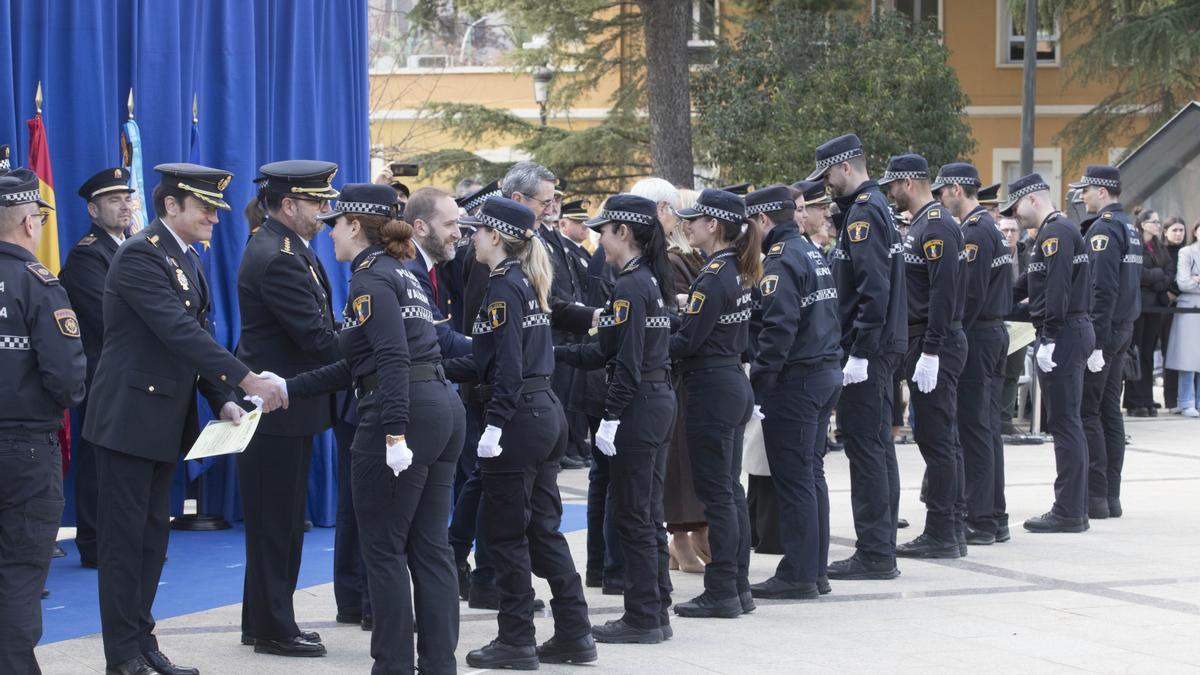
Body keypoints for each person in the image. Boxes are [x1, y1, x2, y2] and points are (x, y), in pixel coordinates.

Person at [84, 163, 288, 675]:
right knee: (125, 543)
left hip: (162, 423)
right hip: (129, 421)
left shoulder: (187, 259)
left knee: (153, 541)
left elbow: (196, 339)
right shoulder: (140, 256)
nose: (216, 219)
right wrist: (246, 380)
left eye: (218, 209)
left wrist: (220, 396)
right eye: (205, 208)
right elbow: (178, 331)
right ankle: (121, 656)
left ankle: (143, 642)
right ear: (171, 206)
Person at [286, 183, 466, 674]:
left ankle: (392, 667)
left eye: (334, 225)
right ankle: (437, 665)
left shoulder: (369, 280)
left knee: (383, 550)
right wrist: (285, 387)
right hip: (441, 408)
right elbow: (358, 363)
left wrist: (393, 432)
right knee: (429, 547)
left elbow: (389, 357)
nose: (330, 236)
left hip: (401, 411)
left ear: (353, 226)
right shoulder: (404, 275)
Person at [452, 197, 595, 668]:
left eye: (477, 231)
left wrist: (494, 423)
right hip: (543, 411)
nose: (471, 237)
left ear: (495, 237)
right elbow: (489, 357)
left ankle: (515, 639)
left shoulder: (502, 288)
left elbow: (507, 366)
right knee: (542, 530)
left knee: (504, 534)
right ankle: (574, 632)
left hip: (516, 419)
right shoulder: (527, 282)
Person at [557, 194, 676, 644]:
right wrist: (552, 355)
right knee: (646, 511)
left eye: (603, 231)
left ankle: (643, 616)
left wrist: (610, 417)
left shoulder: (630, 286)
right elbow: (603, 349)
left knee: (633, 514)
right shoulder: (647, 281)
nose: (598, 239)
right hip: (654, 398)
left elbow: (624, 363)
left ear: (623, 233)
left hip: (638, 404)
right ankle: (656, 606)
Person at [235, 160, 341, 656]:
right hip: (276, 409)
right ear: (289, 204)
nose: (324, 211)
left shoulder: (288, 247)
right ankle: (275, 628)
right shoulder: (278, 255)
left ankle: (262, 620)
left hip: (285, 408)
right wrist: (377, 341)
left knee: (276, 520)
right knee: (276, 523)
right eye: (317, 203)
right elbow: (317, 338)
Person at [808, 134, 906, 580]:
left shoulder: (866, 213)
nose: (826, 184)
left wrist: (861, 350)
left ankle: (874, 552)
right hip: (880, 346)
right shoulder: (870, 208)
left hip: (868, 348)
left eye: (828, 174)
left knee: (866, 448)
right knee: (878, 446)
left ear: (846, 167)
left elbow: (873, 287)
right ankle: (880, 545)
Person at [0, 168, 86, 675]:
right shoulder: (38, 284)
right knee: (18, 573)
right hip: (24, 449)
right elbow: (67, 381)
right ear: (31, 223)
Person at [744, 184, 842, 599]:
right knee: (811, 475)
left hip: (796, 380)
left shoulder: (781, 261)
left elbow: (778, 328)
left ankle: (799, 573)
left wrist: (759, 384)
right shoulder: (810, 252)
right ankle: (813, 569)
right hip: (822, 371)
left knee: (795, 478)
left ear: (764, 220)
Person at [667, 188, 759, 618]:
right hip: (730, 382)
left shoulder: (713, 275)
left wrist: (649, 338)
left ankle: (723, 588)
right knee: (729, 492)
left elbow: (688, 341)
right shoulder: (735, 270)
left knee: (718, 495)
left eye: (694, 220)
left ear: (714, 226)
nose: (687, 225)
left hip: (711, 387)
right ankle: (736, 584)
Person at [882, 155, 968, 559]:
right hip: (925, 340)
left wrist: (931, 350)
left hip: (936, 342)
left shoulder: (935, 226)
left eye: (894, 184)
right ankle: (949, 527)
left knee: (938, 440)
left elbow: (943, 293)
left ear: (912, 181)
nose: (891, 192)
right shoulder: (920, 225)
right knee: (939, 439)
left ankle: (943, 531)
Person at [1003, 173, 1095, 533]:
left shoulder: (1057, 233)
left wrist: (1051, 337)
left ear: (1032, 200)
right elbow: (1027, 286)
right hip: (1065, 330)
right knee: (1066, 422)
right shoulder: (1050, 233)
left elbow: (1056, 290)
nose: (1015, 217)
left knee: (1065, 423)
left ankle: (1070, 510)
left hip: (1065, 332)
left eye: (1017, 209)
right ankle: (1074, 506)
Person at [631, 178, 708, 574]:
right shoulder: (665, 261)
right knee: (671, 467)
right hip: (664, 374)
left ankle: (694, 534)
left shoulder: (686, 258)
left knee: (687, 464)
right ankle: (677, 539)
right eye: (681, 213)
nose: (684, 221)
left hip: (677, 374)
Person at [59, 167, 135, 568]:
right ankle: (93, 540)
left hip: (132, 374)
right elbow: (109, 320)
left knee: (124, 461)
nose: (124, 205)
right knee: (98, 460)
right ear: (92, 209)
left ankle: (121, 538)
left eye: (127, 198)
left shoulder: (132, 247)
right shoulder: (87, 255)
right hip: (102, 374)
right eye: (113, 200)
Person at [934, 162, 1013, 545]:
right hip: (991, 332)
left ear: (956, 190)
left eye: (943, 191)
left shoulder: (976, 233)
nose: (940, 198)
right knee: (985, 427)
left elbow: (971, 293)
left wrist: (954, 334)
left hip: (979, 335)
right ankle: (993, 515)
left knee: (975, 429)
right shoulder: (986, 228)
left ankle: (982, 518)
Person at [1071, 165, 1142, 520]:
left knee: (1090, 411)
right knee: (1110, 411)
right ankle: (1110, 496)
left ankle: (1095, 495)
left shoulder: (1103, 229)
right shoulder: (1130, 227)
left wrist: (1094, 343)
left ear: (1101, 191)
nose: (1082, 197)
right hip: (1123, 327)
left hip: (1106, 330)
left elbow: (1102, 289)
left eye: (1085, 190)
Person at [1126, 209, 1172, 416]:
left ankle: (1146, 398)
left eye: (1158, 221)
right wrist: (1157, 275)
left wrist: (1155, 278)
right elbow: (1136, 273)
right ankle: (1134, 401)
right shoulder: (1134, 244)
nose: (1158, 225)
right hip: (1138, 304)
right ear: (1142, 224)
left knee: (1148, 352)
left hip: (1155, 304)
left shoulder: (1160, 247)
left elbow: (1169, 273)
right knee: (1135, 351)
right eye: (1154, 221)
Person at [1166, 220, 1200, 417]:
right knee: (1187, 357)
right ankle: (1186, 400)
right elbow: (1184, 282)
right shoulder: (1186, 252)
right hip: (1188, 307)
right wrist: (1193, 280)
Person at [998, 216, 1028, 433]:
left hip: (1022, 322)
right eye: (1005, 230)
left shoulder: (1028, 255)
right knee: (994, 372)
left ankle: (1005, 420)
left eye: (1013, 230)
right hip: (996, 319)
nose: (1009, 235)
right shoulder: (993, 252)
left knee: (1012, 373)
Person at [1162, 216, 1187, 411]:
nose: (1178, 234)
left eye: (1181, 230)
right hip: (1165, 307)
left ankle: (1182, 397)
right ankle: (1171, 398)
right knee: (1168, 351)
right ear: (1166, 232)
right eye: (1174, 230)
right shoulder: (1163, 252)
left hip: (1185, 306)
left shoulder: (1188, 252)